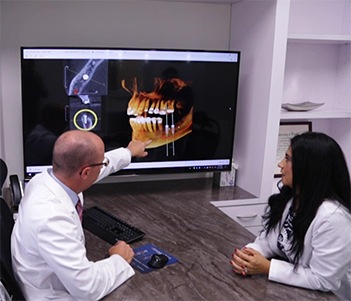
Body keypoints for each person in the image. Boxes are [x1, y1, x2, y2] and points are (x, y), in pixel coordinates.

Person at [11, 130, 151, 300]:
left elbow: (97, 167)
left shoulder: (45, 179)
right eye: (101, 164)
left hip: (49, 275)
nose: (103, 166)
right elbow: (88, 289)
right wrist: (119, 259)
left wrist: (128, 152)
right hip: (52, 294)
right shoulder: (51, 218)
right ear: (85, 173)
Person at [230, 132, 351, 300]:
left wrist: (268, 267)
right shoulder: (293, 198)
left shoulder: (333, 218)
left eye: (287, 159)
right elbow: (269, 241)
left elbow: (323, 280)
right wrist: (249, 255)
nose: (280, 164)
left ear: (308, 169)